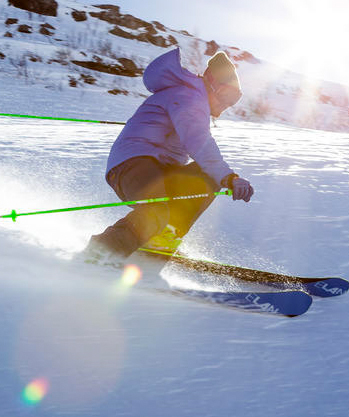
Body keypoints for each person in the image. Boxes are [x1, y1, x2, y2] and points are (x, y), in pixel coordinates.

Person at [78, 48, 255, 266]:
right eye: (226, 97)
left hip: (158, 169)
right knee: (157, 209)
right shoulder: (189, 96)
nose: (226, 106)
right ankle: (100, 254)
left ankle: (157, 246)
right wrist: (229, 177)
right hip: (132, 165)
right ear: (212, 83)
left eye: (233, 101)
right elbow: (199, 141)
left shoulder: (192, 97)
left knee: (204, 178)